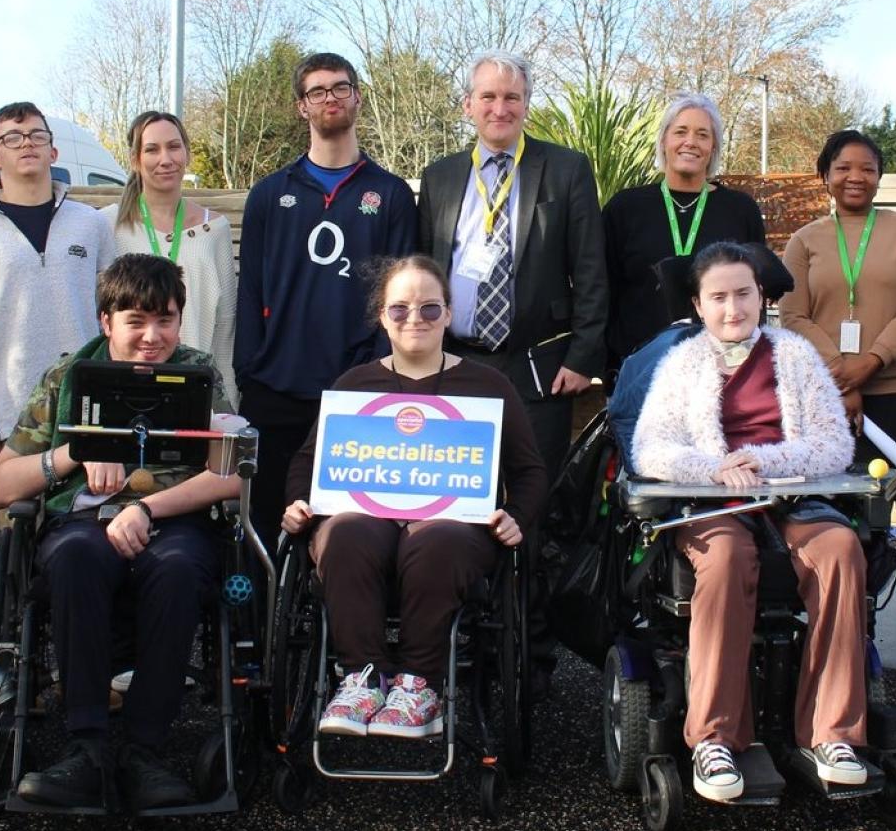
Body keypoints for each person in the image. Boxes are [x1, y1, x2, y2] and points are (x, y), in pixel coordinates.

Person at [0, 254, 243, 809]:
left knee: (175, 570)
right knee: (77, 557)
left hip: (173, 520)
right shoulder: (66, 377)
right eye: (136, 321)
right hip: (82, 520)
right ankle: (87, 748)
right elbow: (1, 486)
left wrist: (148, 510)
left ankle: (144, 752)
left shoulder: (199, 375)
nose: (153, 337)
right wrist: (72, 455)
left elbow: (233, 478)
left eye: (166, 320)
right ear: (107, 321)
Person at [630, 242, 871, 801]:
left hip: (791, 497)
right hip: (714, 504)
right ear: (698, 304)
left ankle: (832, 733)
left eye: (744, 293)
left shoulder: (795, 355)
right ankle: (714, 737)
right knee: (727, 557)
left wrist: (765, 460)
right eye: (719, 297)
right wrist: (715, 468)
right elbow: (651, 449)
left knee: (841, 548)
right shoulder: (681, 363)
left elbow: (834, 443)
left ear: (763, 297)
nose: (733, 307)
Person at [281, 255, 546, 739]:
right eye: (399, 309)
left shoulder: (489, 386)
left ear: (448, 314)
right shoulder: (355, 385)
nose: (414, 320)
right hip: (366, 520)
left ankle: (420, 684)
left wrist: (517, 516)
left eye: (428, 309)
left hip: (453, 530)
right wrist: (300, 502)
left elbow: (529, 471)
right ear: (382, 317)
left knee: (436, 540)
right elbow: (306, 461)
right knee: (343, 533)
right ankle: (362, 678)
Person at [233, 52, 417, 544]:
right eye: (317, 91)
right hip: (276, 387)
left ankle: (335, 622)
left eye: (340, 88)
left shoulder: (392, 194)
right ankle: (266, 622)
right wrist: (249, 367)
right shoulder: (270, 194)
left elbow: (401, 300)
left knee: (346, 531)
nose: (330, 98)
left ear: (357, 97)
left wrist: (382, 374)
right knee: (272, 523)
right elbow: (249, 288)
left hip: (355, 389)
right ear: (302, 108)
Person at [418, 50, 608, 480]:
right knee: (457, 490)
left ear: (526, 103)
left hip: (537, 364)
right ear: (468, 104)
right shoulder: (440, 177)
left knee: (533, 494)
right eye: (488, 96)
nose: (500, 108)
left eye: (512, 97)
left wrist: (583, 357)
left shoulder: (566, 169)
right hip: (455, 362)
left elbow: (591, 268)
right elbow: (424, 271)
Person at [0, 101, 111, 467]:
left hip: (89, 411)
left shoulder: (92, 226)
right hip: (12, 424)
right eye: (12, 138)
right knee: (18, 525)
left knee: (92, 522)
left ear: (53, 151)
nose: (26, 143)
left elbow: (113, 318)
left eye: (36, 135)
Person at [779, 128, 896, 452]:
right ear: (825, 175)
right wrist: (841, 375)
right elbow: (793, 315)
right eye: (843, 168)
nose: (856, 177)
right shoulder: (804, 240)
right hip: (821, 389)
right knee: (821, 496)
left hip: (891, 387)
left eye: (868, 169)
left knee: (879, 491)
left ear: (880, 177)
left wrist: (872, 361)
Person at [601, 92, 765, 380]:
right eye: (680, 132)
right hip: (641, 370)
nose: (691, 142)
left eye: (703, 134)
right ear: (664, 141)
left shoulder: (740, 210)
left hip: (722, 372)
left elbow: (755, 295)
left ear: (713, 147)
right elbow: (604, 292)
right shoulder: (625, 208)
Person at [109, 110, 237, 400]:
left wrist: (225, 396)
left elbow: (226, 324)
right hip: (126, 387)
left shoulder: (214, 229)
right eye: (152, 149)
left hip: (194, 385)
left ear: (187, 153)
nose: (165, 159)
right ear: (135, 159)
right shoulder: (109, 225)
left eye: (174, 146)